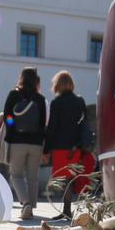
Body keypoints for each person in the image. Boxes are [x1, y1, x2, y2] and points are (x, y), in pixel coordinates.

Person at [44, 70, 95, 220]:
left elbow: (52, 127)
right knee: (71, 178)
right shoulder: (80, 101)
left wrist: (46, 149)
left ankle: (67, 210)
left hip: (60, 146)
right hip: (76, 146)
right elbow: (84, 123)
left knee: (63, 179)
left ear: (57, 84)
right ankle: (68, 209)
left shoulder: (56, 102)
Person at [2, 67, 47, 219]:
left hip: (17, 142)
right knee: (33, 177)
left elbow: (7, 115)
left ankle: (25, 203)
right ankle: (31, 207)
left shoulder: (13, 94)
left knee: (16, 175)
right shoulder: (40, 99)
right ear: (36, 81)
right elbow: (42, 123)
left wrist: (12, 129)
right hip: (36, 143)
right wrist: (40, 138)